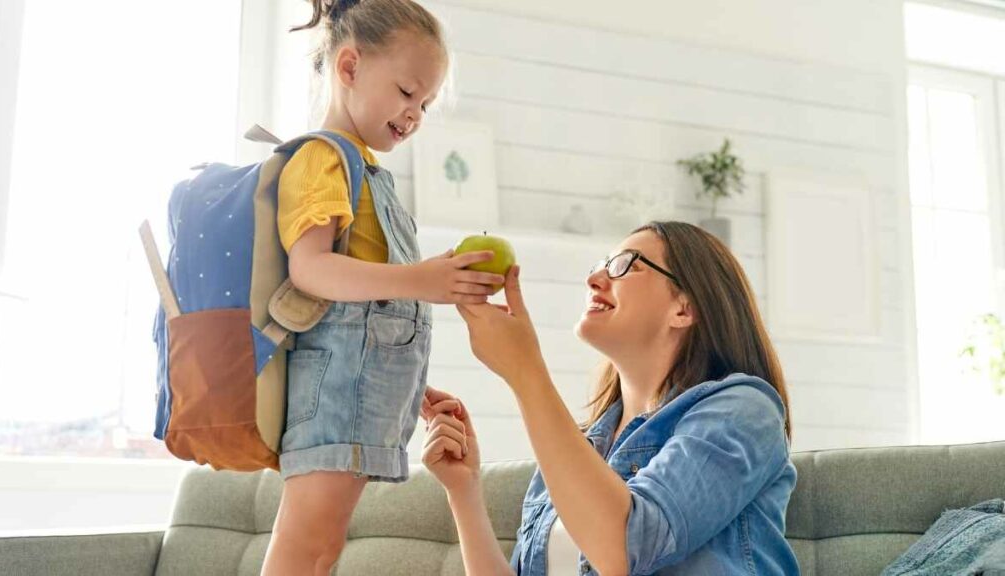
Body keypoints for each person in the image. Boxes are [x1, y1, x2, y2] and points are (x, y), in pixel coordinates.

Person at [260, 1, 505, 574]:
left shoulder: (367, 171)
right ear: (349, 68)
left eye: (424, 103)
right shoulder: (323, 158)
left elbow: (368, 315)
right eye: (406, 92)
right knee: (307, 544)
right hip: (333, 396)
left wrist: (409, 386)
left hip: (357, 393)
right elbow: (311, 270)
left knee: (321, 547)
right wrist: (424, 279)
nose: (415, 113)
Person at [421, 221, 800, 575]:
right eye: (600, 264)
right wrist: (464, 490)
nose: (594, 278)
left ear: (684, 308)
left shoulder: (745, 410)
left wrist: (526, 373)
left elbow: (624, 548)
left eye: (624, 265)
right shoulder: (579, 447)